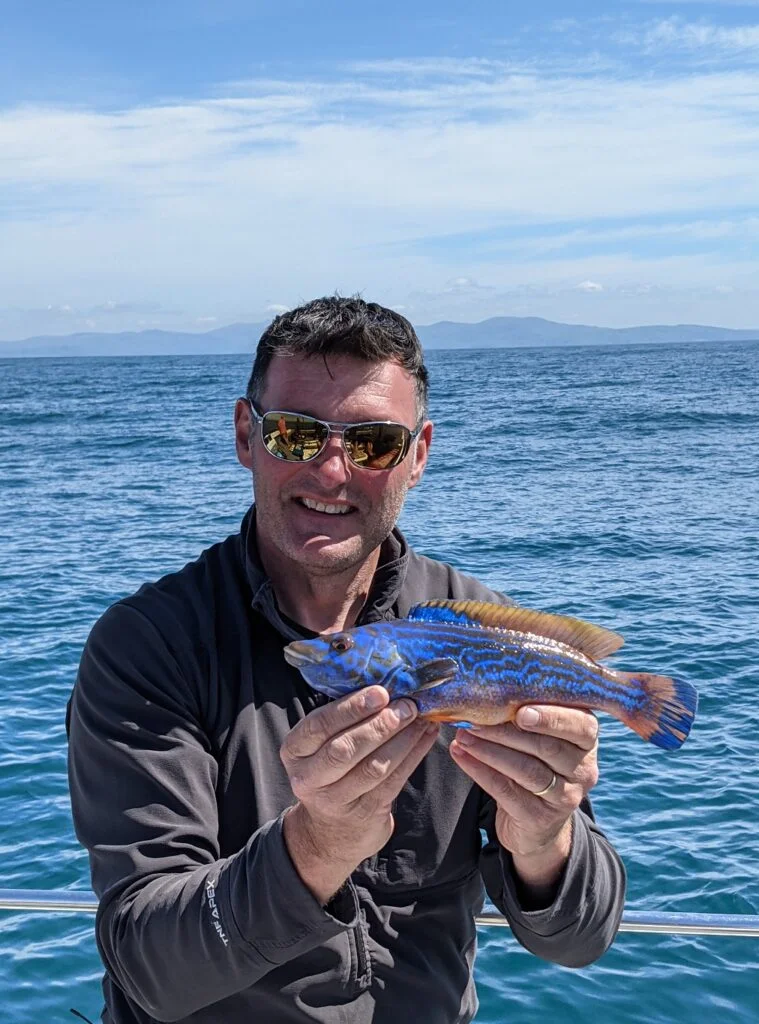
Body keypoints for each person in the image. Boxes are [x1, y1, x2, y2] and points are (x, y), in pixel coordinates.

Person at [67, 296, 626, 1024]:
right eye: (296, 436)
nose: (332, 471)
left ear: (418, 456)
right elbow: (150, 969)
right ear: (246, 435)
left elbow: (580, 941)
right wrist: (314, 846)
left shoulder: (476, 630)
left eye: (373, 444)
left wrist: (545, 839)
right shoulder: (148, 646)